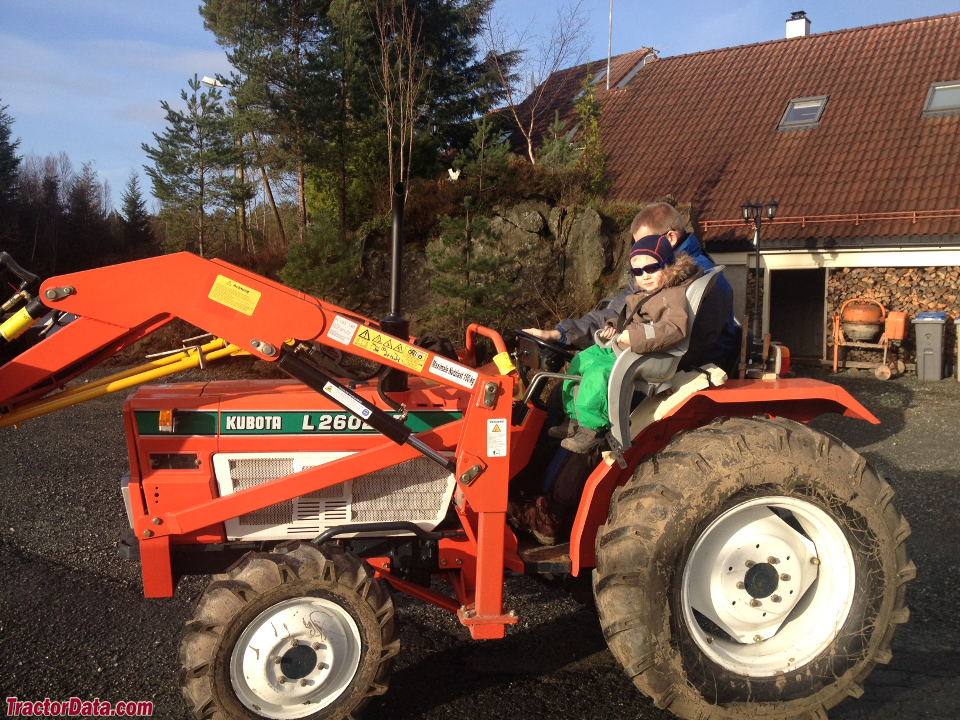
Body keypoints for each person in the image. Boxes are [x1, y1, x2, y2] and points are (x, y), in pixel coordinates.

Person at [522, 201, 737, 371]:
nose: (640, 251)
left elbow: (685, 341)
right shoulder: (654, 270)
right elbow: (618, 312)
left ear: (670, 237)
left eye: (645, 242)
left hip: (682, 371)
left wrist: (625, 342)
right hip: (659, 361)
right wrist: (560, 334)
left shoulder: (697, 280)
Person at [551, 233, 702, 453]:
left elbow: (673, 329)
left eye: (652, 268)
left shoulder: (672, 295)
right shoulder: (648, 291)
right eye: (638, 272)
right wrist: (613, 326)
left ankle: (592, 429)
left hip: (647, 354)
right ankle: (575, 419)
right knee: (580, 361)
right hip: (626, 345)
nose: (645, 276)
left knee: (598, 373)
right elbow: (630, 319)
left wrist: (633, 337)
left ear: (668, 265)